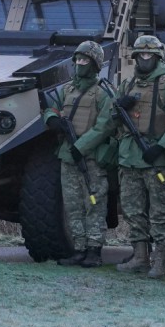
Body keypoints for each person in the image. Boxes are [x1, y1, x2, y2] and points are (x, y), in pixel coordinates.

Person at [74, 35, 165, 278]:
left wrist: (162, 146)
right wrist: (119, 108)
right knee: (133, 210)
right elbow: (111, 118)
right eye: (141, 55)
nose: (144, 59)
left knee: (160, 212)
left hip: (155, 159)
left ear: (157, 57)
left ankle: (161, 258)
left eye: (149, 55)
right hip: (129, 158)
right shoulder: (127, 84)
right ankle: (139, 256)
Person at [42, 41, 112, 269]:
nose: (80, 64)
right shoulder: (67, 90)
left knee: (94, 203)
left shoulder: (103, 94)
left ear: (95, 64)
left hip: (89, 158)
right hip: (67, 156)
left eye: (85, 61)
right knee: (73, 205)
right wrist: (52, 119)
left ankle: (94, 250)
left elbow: (104, 127)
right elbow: (52, 107)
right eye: (78, 60)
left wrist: (81, 147)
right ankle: (79, 249)